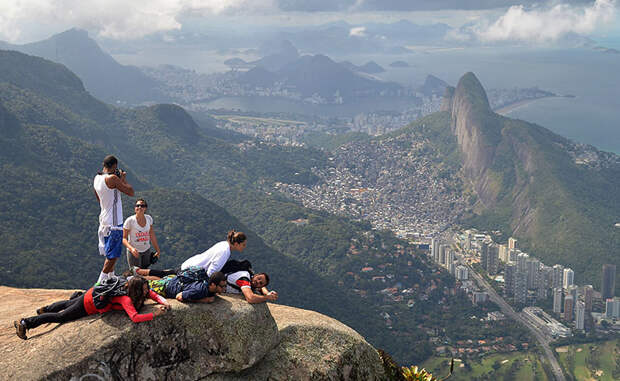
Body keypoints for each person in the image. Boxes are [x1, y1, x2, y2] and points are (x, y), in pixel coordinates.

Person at [14, 276, 170, 340]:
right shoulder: (126, 299)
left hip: (91, 293)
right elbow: (135, 318)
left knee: (69, 303)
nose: (146, 290)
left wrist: (164, 303)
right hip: (88, 305)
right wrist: (155, 314)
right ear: (136, 289)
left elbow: (154, 295)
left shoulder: (132, 288)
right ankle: (25, 323)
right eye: (144, 288)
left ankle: (46, 308)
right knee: (61, 317)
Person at [94, 155, 134, 283]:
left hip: (104, 220)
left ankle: (111, 276)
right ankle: (100, 282)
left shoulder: (97, 178)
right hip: (114, 222)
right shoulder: (112, 179)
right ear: (115, 166)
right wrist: (122, 179)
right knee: (113, 255)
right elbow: (130, 191)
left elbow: (98, 198)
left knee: (109, 251)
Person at [181, 230, 247, 276]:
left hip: (190, 265)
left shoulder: (223, 244)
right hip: (190, 272)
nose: (244, 247)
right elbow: (211, 273)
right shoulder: (224, 252)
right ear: (236, 244)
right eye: (243, 244)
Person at [123, 198, 161, 273]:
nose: (140, 207)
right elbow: (124, 238)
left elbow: (151, 234)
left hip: (146, 250)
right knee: (136, 274)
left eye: (142, 206)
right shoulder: (130, 221)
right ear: (135, 208)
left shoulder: (149, 218)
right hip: (134, 252)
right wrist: (131, 249)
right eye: (138, 205)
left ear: (145, 208)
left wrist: (157, 249)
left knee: (145, 272)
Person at [148, 271, 227, 303]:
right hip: (166, 287)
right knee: (144, 286)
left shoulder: (206, 281)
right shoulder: (199, 290)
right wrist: (203, 300)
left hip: (173, 278)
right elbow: (179, 296)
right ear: (213, 284)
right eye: (222, 286)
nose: (224, 289)